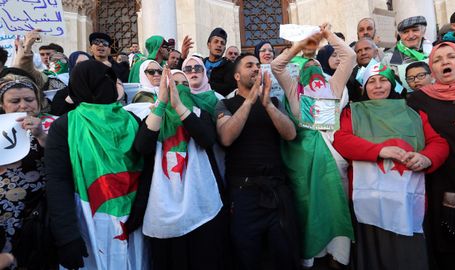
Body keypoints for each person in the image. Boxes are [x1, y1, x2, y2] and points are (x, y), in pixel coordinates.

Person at [333, 62, 449, 270]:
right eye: (372, 81)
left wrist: (426, 158)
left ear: (393, 84)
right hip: (368, 199)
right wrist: (379, 151)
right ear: (364, 87)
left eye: (384, 80)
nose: (378, 86)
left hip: (407, 199)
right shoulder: (352, 112)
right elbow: (341, 140)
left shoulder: (413, 113)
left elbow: (438, 143)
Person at [45, 60, 147, 269]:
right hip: (89, 221)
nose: (109, 84)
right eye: (103, 80)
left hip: (134, 220)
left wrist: (141, 205)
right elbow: (58, 180)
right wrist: (67, 235)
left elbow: (147, 166)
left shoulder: (132, 119)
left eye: (111, 79)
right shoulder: (64, 125)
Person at [271, 24, 356, 268]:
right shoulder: (294, 90)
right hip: (301, 160)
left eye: (316, 65)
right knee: (308, 209)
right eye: (306, 67)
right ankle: (312, 257)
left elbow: (348, 57)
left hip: (332, 156)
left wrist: (327, 35)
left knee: (335, 206)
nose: (312, 67)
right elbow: (277, 66)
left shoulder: (334, 87)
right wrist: (300, 45)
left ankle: (338, 258)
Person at [131, 65, 228, 270]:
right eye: (175, 84)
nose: (180, 89)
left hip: (201, 203)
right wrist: (163, 104)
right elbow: (143, 146)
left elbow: (207, 139)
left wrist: (179, 106)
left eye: (185, 85)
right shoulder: (153, 115)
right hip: (162, 205)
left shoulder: (199, 113)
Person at [215, 53, 298, 270]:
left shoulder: (274, 101)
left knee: (284, 256)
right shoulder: (225, 104)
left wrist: (267, 104)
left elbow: (290, 134)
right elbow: (226, 137)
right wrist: (250, 101)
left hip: (276, 191)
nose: (255, 69)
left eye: (258, 65)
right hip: (243, 195)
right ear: (236, 75)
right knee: (246, 257)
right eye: (249, 65)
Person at [407, 42, 455, 270]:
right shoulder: (418, 100)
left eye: (451, 57)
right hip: (440, 185)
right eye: (437, 60)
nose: (445, 63)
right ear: (432, 68)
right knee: (450, 249)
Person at [0, 74, 54, 267]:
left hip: (36, 219)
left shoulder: (52, 128)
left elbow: (60, 163)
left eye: (29, 100)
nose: (23, 106)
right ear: (3, 105)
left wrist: (40, 135)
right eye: (15, 101)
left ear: (38, 103)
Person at [49, 51, 92, 116]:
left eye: (88, 63)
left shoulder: (102, 89)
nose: (84, 67)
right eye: (80, 64)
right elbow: (57, 117)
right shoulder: (62, 95)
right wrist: (68, 102)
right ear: (72, 67)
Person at [204, 27, 236, 96]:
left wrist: (205, 84)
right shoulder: (200, 63)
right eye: (216, 42)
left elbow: (228, 89)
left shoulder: (230, 66)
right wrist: (182, 58)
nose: (219, 45)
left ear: (224, 48)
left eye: (222, 43)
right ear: (209, 45)